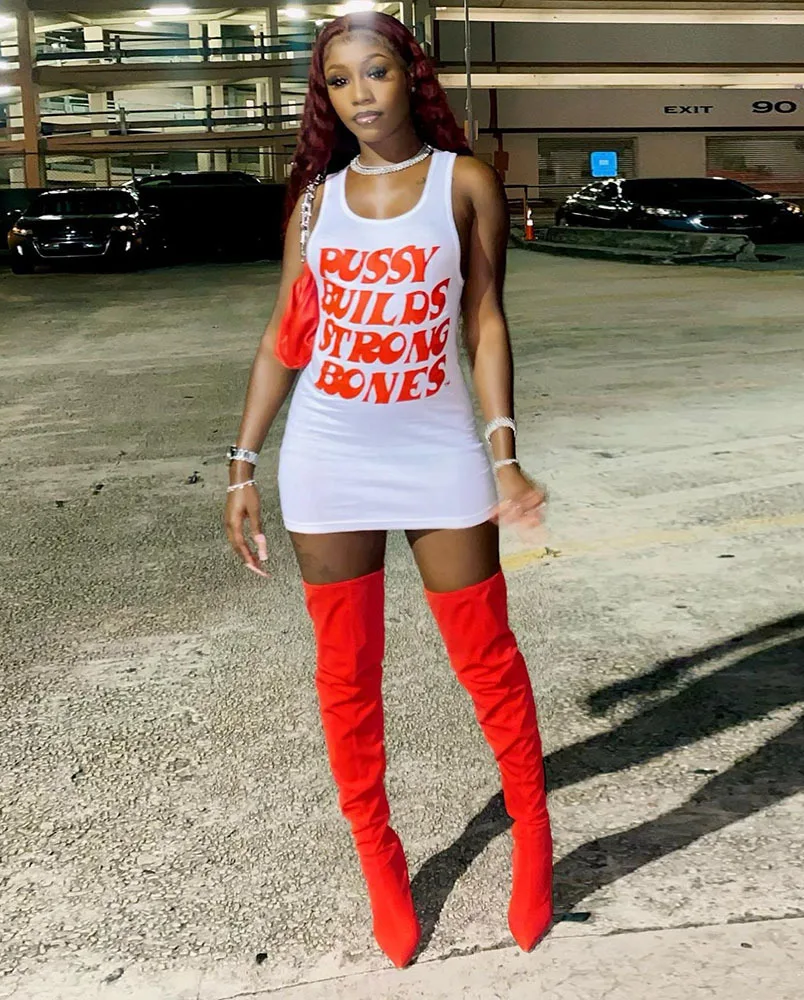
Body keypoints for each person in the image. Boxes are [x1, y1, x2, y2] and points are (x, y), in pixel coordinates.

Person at [223, 12, 552, 969]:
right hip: (328, 453)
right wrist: (242, 465)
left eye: (376, 71)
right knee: (347, 675)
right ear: (324, 98)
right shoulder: (314, 203)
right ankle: (380, 858)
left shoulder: (465, 182)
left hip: (435, 447)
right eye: (339, 80)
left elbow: (485, 322)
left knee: (487, 657)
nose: (360, 94)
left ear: (411, 76)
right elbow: (285, 338)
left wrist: (502, 452)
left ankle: (533, 834)